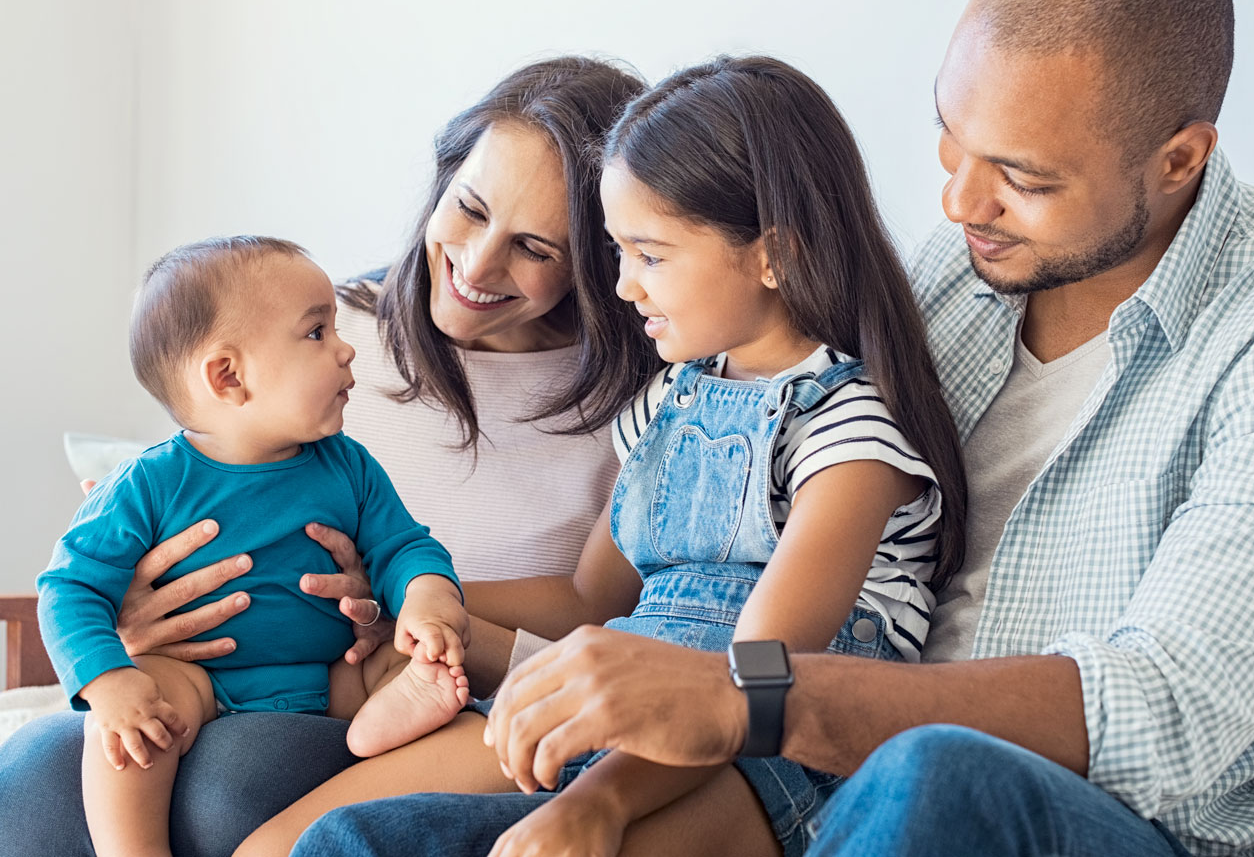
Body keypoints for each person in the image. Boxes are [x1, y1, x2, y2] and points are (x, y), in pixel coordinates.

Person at [293, 0, 1254, 857]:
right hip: (819, 772)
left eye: (1023, 177)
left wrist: (749, 700)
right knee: (359, 845)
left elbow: (1168, 712)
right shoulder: (954, 279)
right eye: (950, 140)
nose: (962, 202)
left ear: (1180, 159)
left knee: (933, 776)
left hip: (1069, 813)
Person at [234, 54, 968, 857]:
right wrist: (407, 590)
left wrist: (598, 805)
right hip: (615, 702)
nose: (620, 288)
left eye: (649, 256)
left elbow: (758, 683)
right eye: (617, 253)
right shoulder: (669, 403)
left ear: (773, 256)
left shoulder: (848, 434)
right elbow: (589, 596)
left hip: (759, 755)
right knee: (294, 846)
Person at [0, 56, 656, 857]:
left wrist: (402, 606)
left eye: (535, 247)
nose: (478, 266)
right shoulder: (322, 329)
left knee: (225, 785)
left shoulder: (646, 402)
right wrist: (127, 625)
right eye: (470, 208)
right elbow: (176, 493)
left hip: (408, 681)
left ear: (602, 253)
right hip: (207, 671)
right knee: (32, 771)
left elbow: (599, 607)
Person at [38, 236, 474, 856]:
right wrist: (108, 684)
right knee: (135, 725)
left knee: (410, 665)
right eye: (317, 333)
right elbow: (69, 587)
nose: (347, 348)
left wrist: (428, 603)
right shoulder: (150, 482)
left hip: (333, 674)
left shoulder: (348, 466)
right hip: (201, 678)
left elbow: (404, 547)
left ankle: (383, 722)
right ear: (229, 376)